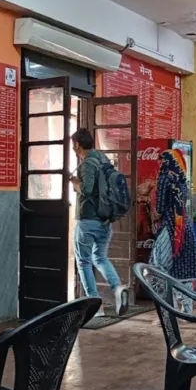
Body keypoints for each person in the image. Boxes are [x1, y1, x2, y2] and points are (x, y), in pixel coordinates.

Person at [71, 128, 126, 316]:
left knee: (84, 261)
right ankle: (117, 287)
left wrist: (74, 182)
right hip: (105, 220)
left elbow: (86, 190)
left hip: (88, 220)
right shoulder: (103, 159)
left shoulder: (88, 163)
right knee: (100, 257)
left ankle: (95, 306)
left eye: (73, 144)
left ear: (77, 144)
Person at [148, 149, 196, 313]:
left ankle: (167, 310)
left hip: (170, 228)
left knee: (158, 268)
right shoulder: (182, 179)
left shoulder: (165, 178)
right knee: (183, 269)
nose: (159, 163)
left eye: (162, 160)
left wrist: (152, 214)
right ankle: (187, 310)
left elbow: (159, 208)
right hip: (184, 227)